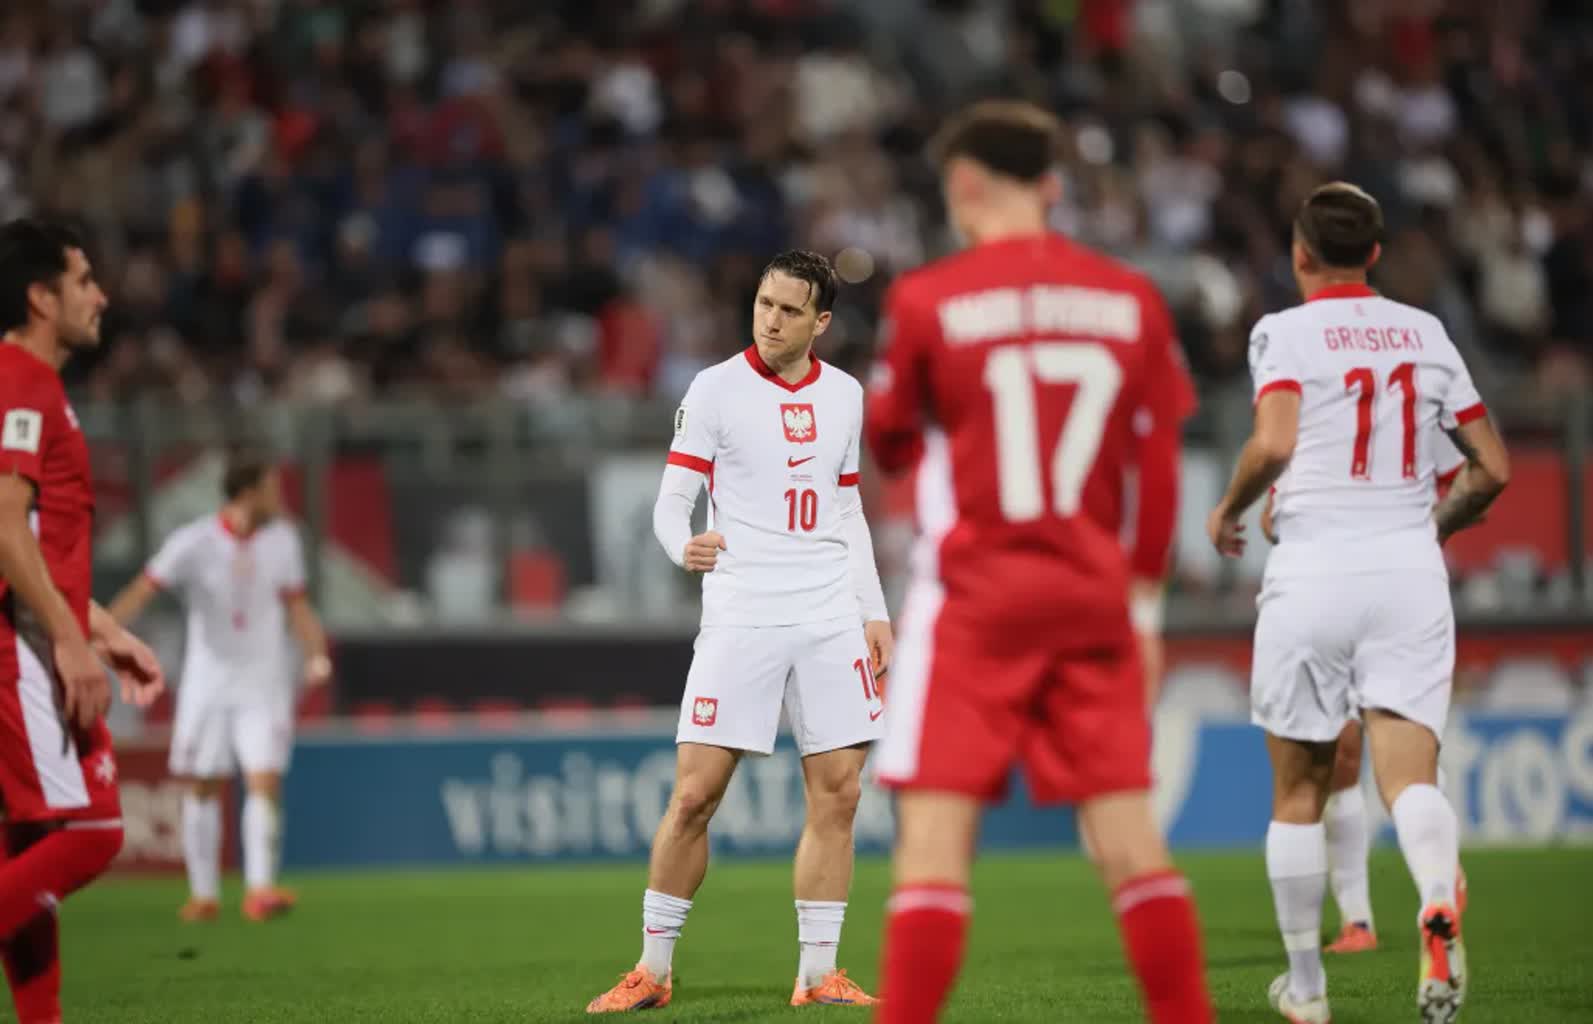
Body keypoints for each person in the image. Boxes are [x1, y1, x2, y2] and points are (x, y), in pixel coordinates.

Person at [865, 100, 1214, 1024]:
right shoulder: (1129, 300)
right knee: (1129, 841)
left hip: (974, 600)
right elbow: (1156, 474)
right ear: (1051, 186)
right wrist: (1144, 613)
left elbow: (889, 442)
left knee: (932, 845)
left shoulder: (928, 299)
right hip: (1094, 597)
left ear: (964, 186)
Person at [1207, 182, 1509, 1024]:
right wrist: (1429, 526)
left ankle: (1306, 991)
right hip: (1407, 570)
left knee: (1297, 789)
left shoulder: (1283, 331)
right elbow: (1491, 468)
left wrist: (1228, 509)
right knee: (1408, 775)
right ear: (1374, 254)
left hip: (1312, 568)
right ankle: (1435, 898)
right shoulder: (1425, 332)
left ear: (1299, 254)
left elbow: (1273, 442)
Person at [585, 250, 892, 1013]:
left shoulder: (845, 394)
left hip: (828, 614)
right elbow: (672, 500)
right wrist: (680, 546)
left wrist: (874, 609)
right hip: (742, 612)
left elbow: (846, 508)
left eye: (789, 310)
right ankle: (652, 969)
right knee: (694, 795)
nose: (770, 320)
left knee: (839, 795)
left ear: (821, 321)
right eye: (763, 304)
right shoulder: (714, 388)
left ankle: (817, 974)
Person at [0, 217, 166, 1024]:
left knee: (34, 840)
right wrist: (69, 642)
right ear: (41, 298)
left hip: (37, 635)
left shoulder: (32, 387)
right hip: (21, 647)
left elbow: (33, 542)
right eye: (83, 281)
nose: (100, 297)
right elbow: (4, 526)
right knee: (94, 831)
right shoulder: (21, 385)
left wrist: (102, 630)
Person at [1260, 437, 1471, 959]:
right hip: (1331, 591)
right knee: (1342, 754)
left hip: (1394, 595)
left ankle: (1437, 872)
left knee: (1402, 754)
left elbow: (1473, 478)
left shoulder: (1414, 406)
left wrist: (1424, 531)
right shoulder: (1303, 414)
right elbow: (1274, 505)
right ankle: (1360, 917)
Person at [108, 452, 331, 922]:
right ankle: (204, 894)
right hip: (208, 682)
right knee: (204, 783)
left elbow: (297, 606)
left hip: (264, 679)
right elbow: (143, 589)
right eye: (272, 489)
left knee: (264, 778)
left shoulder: (284, 540)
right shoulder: (194, 542)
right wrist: (99, 633)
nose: (280, 499)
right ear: (248, 493)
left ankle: (260, 889)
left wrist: (316, 653)